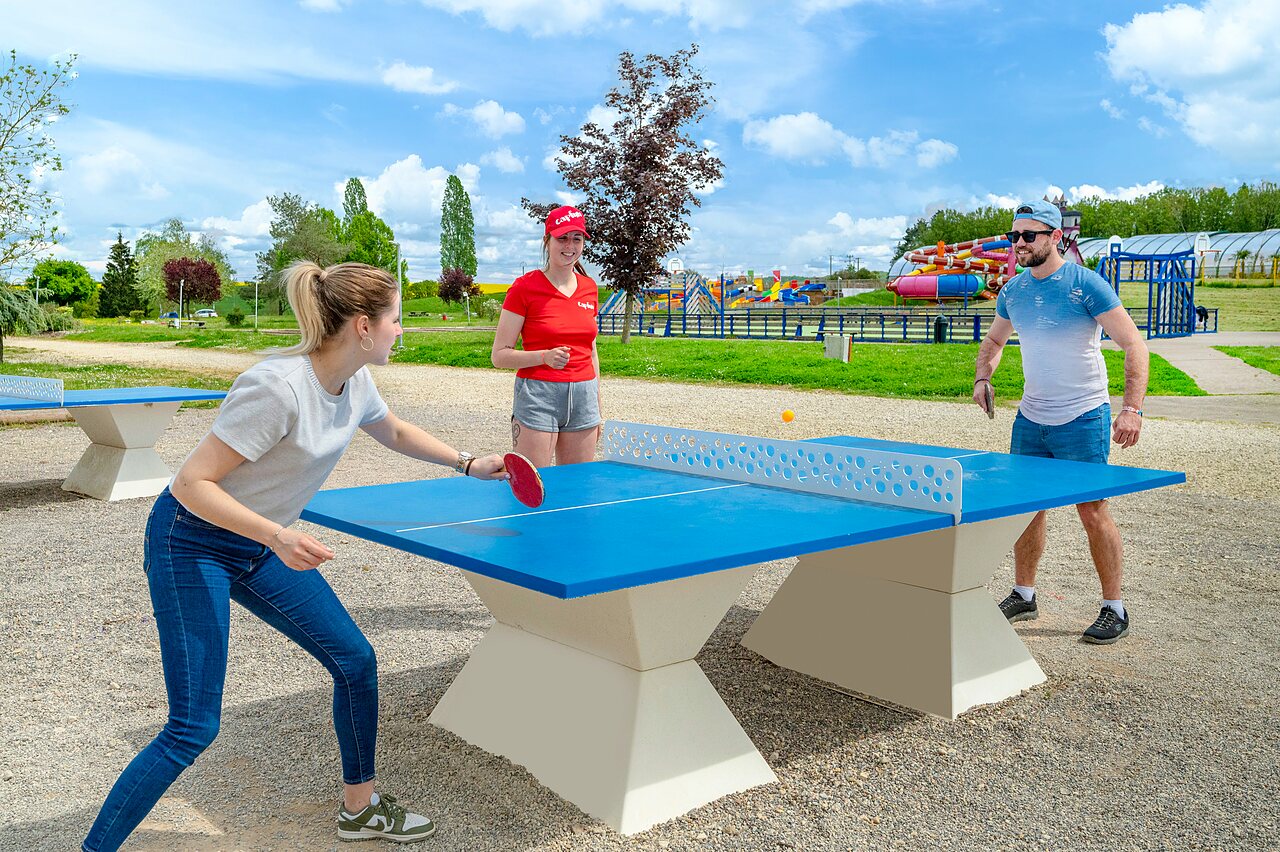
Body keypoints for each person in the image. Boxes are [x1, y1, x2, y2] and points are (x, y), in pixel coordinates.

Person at [83, 261, 507, 851]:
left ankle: (359, 810)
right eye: (396, 320)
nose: (401, 331)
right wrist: (276, 534)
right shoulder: (276, 388)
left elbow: (395, 432)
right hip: (192, 542)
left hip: (259, 542)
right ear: (363, 325)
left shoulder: (355, 380)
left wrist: (467, 461)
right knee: (192, 727)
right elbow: (192, 485)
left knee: (355, 662)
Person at [973, 199, 1149, 645]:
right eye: (1015, 236)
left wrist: (1131, 409)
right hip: (1032, 417)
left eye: (1028, 236)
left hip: (1083, 417)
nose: (1019, 244)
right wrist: (982, 376)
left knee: (1092, 510)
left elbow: (1134, 345)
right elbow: (995, 339)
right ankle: (1024, 594)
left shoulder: (1086, 285)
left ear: (1054, 237)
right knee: (1027, 508)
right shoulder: (1013, 291)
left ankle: (1114, 607)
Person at [491, 205, 602, 467]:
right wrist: (544, 357)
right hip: (539, 395)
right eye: (562, 238)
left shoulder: (589, 288)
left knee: (577, 487)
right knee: (533, 488)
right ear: (547, 240)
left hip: (584, 397)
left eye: (577, 238)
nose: (570, 245)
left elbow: (592, 351)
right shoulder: (524, 288)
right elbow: (499, 355)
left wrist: (597, 406)